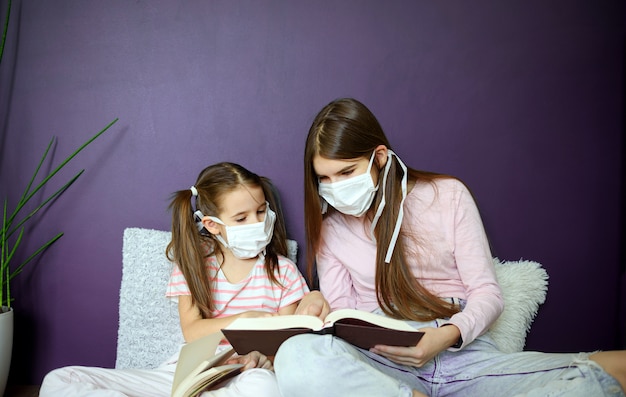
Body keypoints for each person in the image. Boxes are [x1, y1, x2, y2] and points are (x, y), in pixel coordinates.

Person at [274, 98, 626, 397]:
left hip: (462, 354)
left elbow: (487, 293)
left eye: (346, 172)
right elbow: (344, 318)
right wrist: (320, 306)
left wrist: (446, 337)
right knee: (294, 355)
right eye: (324, 178)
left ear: (379, 157)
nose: (334, 188)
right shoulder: (331, 228)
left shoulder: (447, 195)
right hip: (381, 364)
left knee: (610, 372)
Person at [40, 162, 311, 397]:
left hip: (244, 378)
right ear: (212, 225)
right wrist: (244, 321)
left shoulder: (282, 271)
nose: (256, 223)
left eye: (261, 212)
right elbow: (192, 331)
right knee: (59, 380)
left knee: (265, 388)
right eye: (241, 218)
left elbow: (281, 346)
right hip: (191, 374)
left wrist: (261, 359)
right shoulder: (196, 265)